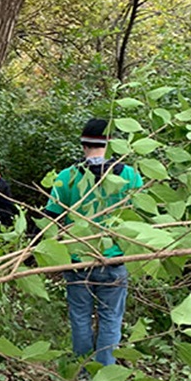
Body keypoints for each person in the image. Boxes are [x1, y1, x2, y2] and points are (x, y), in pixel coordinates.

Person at [44, 118, 144, 368]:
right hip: (114, 259)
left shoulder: (67, 177)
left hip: (77, 260)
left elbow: (52, 218)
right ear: (112, 144)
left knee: (80, 316)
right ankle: (105, 372)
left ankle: (82, 368)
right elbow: (141, 216)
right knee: (111, 318)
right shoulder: (131, 176)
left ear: (83, 144)